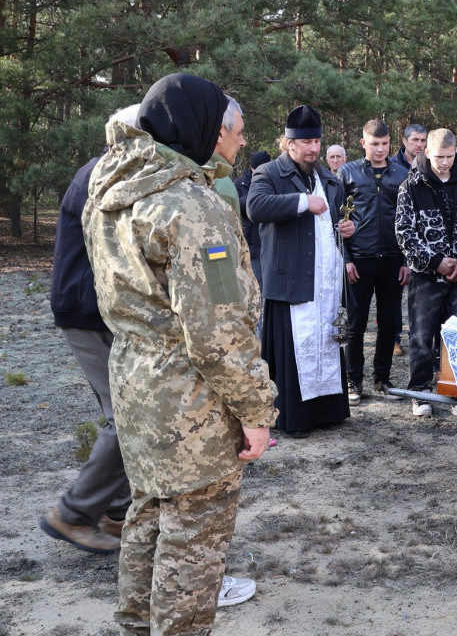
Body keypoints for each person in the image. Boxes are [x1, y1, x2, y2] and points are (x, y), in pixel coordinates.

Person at [82, 73, 276, 633]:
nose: (240, 142)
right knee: (193, 541)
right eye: (235, 131)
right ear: (209, 131)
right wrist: (257, 411)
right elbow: (217, 333)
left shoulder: (113, 189)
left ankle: (138, 625)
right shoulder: (189, 207)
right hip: (190, 398)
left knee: (147, 516)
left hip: (137, 383)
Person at [40, 107, 140, 557]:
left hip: (93, 310)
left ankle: (116, 512)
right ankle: (73, 514)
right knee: (127, 416)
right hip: (86, 312)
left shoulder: (109, 169)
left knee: (122, 411)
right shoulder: (104, 174)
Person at [248, 104, 355, 437]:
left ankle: (327, 412)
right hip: (291, 279)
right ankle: (294, 417)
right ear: (289, 143)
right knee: (297, 349)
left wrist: (349, 227)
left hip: (325, 283)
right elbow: (255, 208)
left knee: (326, 342)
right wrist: (301, 202)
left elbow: (339, 217)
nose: (312, 148)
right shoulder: (269, 172)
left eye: (317, 142)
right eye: (305, 142)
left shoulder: (328, 177)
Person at [395, 127, 457, 416]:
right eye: (439, 156)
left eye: (450, 156)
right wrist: (435, 261)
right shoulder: (411, 185)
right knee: (421, 335)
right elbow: (404, 233)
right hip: (426, 275)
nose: (445, 162)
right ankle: (420, 391)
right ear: (426, 152)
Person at [339, 120, 412, 405]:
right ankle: (353, 380)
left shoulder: (402, 175)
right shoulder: (347, 173)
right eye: (374, 144)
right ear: (363, 143)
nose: (380, 149)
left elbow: (408, 221)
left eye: (384, 144)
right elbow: (339, 220)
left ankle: (382, 379)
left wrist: (406, 259)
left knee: (388, 325)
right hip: (359, 261)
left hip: (393, 261)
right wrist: (346, 259)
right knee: (355, 325)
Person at [234, 150, 272, 287]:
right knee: (255, 282)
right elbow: (237, 206)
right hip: (251, 240)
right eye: (255, 169)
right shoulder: (239, 184)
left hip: (270, 238)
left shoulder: (273, 180)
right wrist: (257, 196)